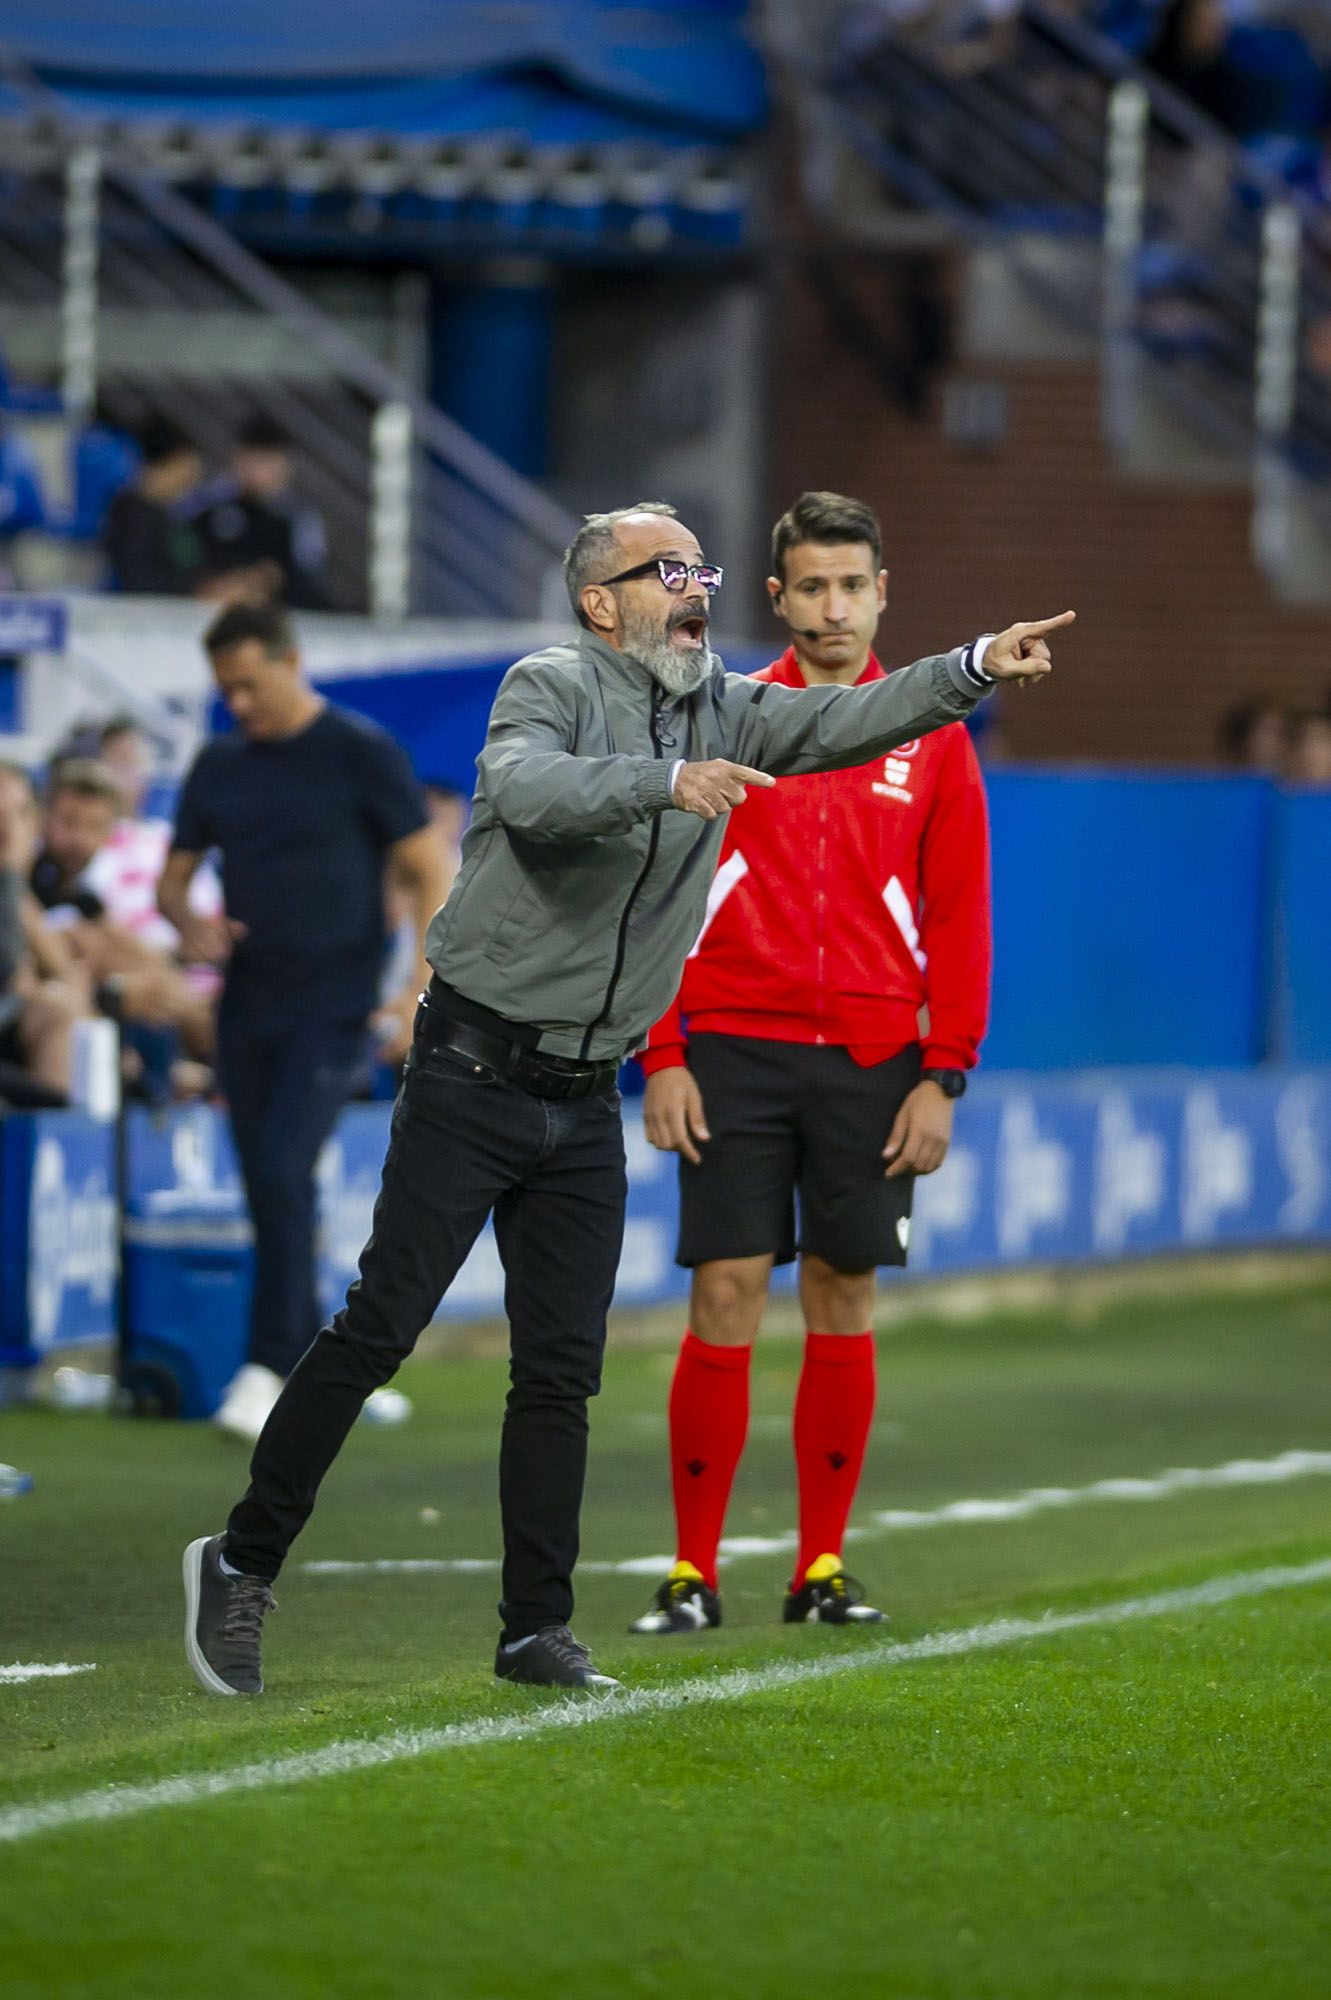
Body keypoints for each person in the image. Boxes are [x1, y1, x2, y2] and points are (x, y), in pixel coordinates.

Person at [180, 500, 1071, 1701]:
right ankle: (239, 1559)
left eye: (700, 566)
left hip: (582, 1093)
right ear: (601, 600)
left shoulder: (726, 696)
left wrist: (967, 668)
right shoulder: (545, 682)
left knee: (559, 1369)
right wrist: (664, 780)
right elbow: (527, 788)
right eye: (666, 569)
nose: (694, 585)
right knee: (380, 1326)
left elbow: (849, 715)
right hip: (474, 1067)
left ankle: (532, 1628)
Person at [628, 492, 991, 1636]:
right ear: (775, 597)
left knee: (842, 1293)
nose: (833, 607)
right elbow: (662, 895)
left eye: (853, 585)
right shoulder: (725, 716)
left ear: (882, 593)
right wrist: (663, 1049)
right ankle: (691, 1572)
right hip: (730, 1048)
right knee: (724, 1291)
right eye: (811, 587)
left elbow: (961, 907)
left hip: (877, 1058)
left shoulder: (931, 734)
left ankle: (819, 1564)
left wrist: (944, 1071)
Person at [158, 604, 446, 1442]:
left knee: (283, 1169)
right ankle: (328, 1370)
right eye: (225, 690)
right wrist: (187, 921)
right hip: (246, 1002)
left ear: (291, 660)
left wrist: (413, 989)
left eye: (249, 684)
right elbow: (174, 882)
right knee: (269, 1185)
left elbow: (428, 866)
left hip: (338, 1003)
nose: (238, 703)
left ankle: (266, 1364)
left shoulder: (360, 752)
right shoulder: (218, 764)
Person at [186, 416, 333, 611]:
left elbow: (306, 576)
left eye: (269, 463)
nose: (260, 471)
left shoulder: (299, 518)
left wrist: (260, 581)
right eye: (254, 460)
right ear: (238, 459)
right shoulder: (204, 504)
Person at [101, 417, 204, 596]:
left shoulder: (168, 514)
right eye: (185, 478)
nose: (188, 486)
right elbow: (138, 580)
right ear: (171, 463)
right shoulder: (131, 515)